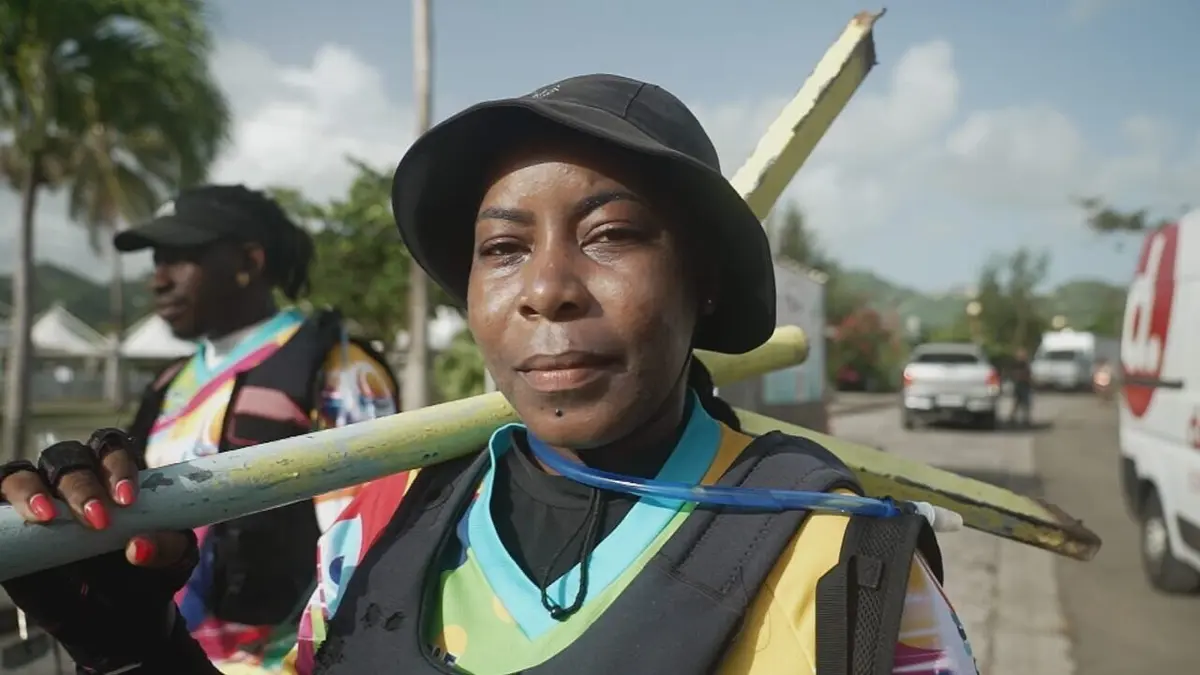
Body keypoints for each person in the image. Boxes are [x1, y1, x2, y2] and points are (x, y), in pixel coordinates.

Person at [0, 75, 977, 675]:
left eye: (611, 235)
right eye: (502, 248)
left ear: (706, 281)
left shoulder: (839, 558)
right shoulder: (376, 525)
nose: (546, 290)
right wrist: (134, 645)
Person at [1, 185, 400, 674]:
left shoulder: (337, 369)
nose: (158, 279)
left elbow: (368, 555)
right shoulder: (170, 382)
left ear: (248, 262)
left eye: (179, 257)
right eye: (155, 261)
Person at [1008, 348, 1033, 428]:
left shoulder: (1025, 364)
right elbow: (1013, 374)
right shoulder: (1016, 365)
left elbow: (1028, 374)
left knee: (1025, 403)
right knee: (1017, 403)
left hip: (1025, 385)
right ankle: (1012, 419)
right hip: (1019, 385)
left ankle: (1025, 420)